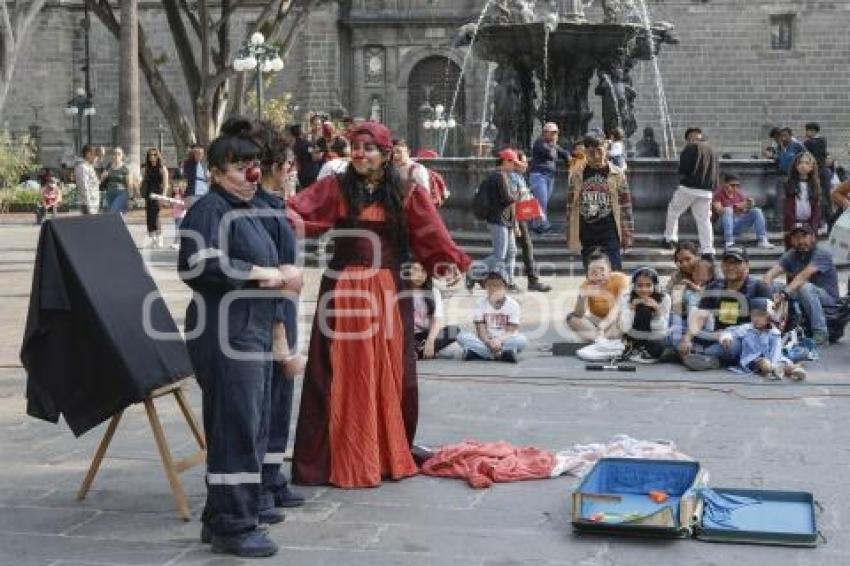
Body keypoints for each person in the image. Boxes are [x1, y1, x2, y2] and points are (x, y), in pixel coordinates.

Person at [287, 120, 471, 488]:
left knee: (386, 369)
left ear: (386, 155)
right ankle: (336, 454)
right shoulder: (334, 186)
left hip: (387, 291)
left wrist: (451, 263)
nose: (360, 154)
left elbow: (431, 234)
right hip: (342, 293)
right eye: (356, 147)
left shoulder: (406, 192)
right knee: (338, 370)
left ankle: (383, 451)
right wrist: (267, 214)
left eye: (369, 148)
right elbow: (299, 210)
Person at [178, 117, 302, 557]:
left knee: (247, 426)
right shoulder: (210, 210)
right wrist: (266, 273)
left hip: (251, 331)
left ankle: (222, 517)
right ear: (214, 173)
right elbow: (197, 264)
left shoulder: (245, 210)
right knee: (236, 428)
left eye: (253, 164)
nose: (251, 173)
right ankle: (234, 524)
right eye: (239, 166)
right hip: (226, 334)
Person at [678, 246, 771, 371]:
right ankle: (702, 355)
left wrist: (730, 334)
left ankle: (706, 357)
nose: (731, 267)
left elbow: (765, 325)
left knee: (731, 347)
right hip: (715, 335)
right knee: (677, 332)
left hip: (744, 338)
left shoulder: (759, 288)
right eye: (727, 263)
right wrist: (687, 338)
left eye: (736, 263)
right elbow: (701, 315)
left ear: (747, 266)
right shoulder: (715, 286)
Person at [566, 132, 633, 271]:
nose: (596, 156)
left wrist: (628, 233)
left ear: (606, 149)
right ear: (585, 152)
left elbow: (626, 206)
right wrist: (570, 232)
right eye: (591, 153)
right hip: (587, 233)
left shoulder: (618, 174)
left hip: (610, 232)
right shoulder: (577, 174)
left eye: (599, 151)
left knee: (615, 272)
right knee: (593, 275)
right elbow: (570, 206)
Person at [763, 222, 838, 345]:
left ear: (813, 237)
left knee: (804, 287)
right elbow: (770, 274)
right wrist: (765, 287)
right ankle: (773, 327)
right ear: (792, 240)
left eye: (804, 236)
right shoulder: (791, 254)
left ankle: (821, 332)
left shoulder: (821, 253)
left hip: (828, 299)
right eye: (796, 237)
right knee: (772, 286)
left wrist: (783, 294)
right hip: (803, 293)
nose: (800, 241)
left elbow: (803, 277)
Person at [466, 148, 521, 291]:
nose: (515, 166)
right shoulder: (498, 176)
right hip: (498, 220)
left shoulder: (502, 176)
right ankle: (473, 270)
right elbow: (507, 198)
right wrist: (520, 195)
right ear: (505, 161)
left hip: (505, 220)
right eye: (513, 163)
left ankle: (509, 282)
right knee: (499, 255)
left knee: (511, 252)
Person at [720, 298, 807, 381]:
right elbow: (731, 331)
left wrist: (774, 363)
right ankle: (776, 370)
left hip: (773, 358)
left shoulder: (774, 333)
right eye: (753, 315)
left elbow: (776, 351)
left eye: (761, 315)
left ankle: (793, 370)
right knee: (764, 364)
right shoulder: (747, 329)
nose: (756, 319)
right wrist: (726, 337)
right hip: (753, 360)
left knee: (785, 363)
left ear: (769, 317)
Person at [663, 128, 718, 257]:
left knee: (674, 210)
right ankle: (708, 250)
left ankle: (670, 238)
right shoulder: (711, 150)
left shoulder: (690, 148)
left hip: (689, 187)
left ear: (688, 138)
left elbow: (683, 168)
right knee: (704, 220)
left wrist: (683, 179)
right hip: (706, 191)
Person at [457, 269, 528, 362]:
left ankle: (478, 353)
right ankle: (501, 355)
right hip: (485, 340)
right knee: (461, 336)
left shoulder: (513, 305)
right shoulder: (480, 303)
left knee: (522, 340)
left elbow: (510, 330)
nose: (493, 289)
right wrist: (488, 341)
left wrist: (499, 340)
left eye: (497, 286)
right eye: (490, 285)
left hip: (504, 339)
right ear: (485, 286)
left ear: (505, 287)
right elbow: (480, 329)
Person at [567, 251, 629, 342]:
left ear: (609, 270)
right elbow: (579, 314)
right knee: (571, 318)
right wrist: (582, 297)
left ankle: (597, 339)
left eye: (602, 270)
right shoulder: (586, 285)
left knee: (625, 319)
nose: (598, 274)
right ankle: (601, 340)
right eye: (593, 271)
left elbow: (617, 309)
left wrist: (602, 326)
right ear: (588, 272)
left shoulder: (621, 279)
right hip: (597, 322)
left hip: (615, 320)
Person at [512, 151, 551, 292]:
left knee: (512, 250)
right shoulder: (512, 178)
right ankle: (531, 280)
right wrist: (516, 223)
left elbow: (526, 197)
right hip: (513, 218)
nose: (526, 165)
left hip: (519, 217)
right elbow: (514, 201)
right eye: (523, 162)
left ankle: (531, 280)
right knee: (512, 250)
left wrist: (538, 212)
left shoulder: (519, 177)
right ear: (515, 163)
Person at [408, 261, 461, 359]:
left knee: (454, 330)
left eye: (423, 271)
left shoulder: (434, 292)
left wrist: (430, 341)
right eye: (415, 270)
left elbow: (437, 321)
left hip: (425, 334)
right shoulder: (401, 292)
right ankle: (418, 351)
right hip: (407, 335)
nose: (419, 275)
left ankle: (418, 351)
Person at [619, 267, 671, 364]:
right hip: (632, 334)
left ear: (655, 286)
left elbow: (663, 328)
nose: (644, 290)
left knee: (657, 347)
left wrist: (658, 310)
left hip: (654, 334)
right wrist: (631, 308)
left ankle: (641, 350)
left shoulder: (665, 298)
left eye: (648, 285)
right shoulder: (626, 297)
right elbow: (624, 327)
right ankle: (635, 347)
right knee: (643, 309)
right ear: (633, 286)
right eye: (640, 285)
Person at [712, 173, 773, 249]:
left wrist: (748, 205)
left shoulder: (738, 193)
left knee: (757, 211)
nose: (735, 187)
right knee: (727, 210)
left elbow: (744, 211)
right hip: (721, 226)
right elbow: (719, 211)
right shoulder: (718, 194)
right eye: (732, 185)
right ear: (725, 184)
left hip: (737, 224)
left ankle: (762, 240)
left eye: (737, 185)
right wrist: (735, 207)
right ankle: (729, 242)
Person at [528, 122, 570, 233]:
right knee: (541, 201)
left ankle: (536, 225)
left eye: (556, 132)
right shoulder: (539, 143)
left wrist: (571, 159)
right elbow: (551, 155)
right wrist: (554, 144)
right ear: (545, 132)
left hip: (549, 177)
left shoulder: (553, 144)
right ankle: (543, 225)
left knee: (542, 202)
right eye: (552, 132)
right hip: (539, 176)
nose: (554, 135)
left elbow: (564, 153)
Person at [783, 152, 822, 239]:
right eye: (800, 162)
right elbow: (786, 208)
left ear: (811, 167)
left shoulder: (815, 185)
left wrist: (812, 228)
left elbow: (817, 209)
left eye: (806, 163)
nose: (803, 165)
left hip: (809, 226)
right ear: (796, 166)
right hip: (792, 225)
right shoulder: (788, 184)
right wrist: (794, 226)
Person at [141, 148, 170, 248]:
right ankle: (153, 239)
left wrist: (163, 197)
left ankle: (160, 238)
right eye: (150, 155)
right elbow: (144, 181)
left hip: (158, 194)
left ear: (158, 156)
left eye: (154, 155)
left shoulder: (162, 168)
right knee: (149, 216)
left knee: (156, 215)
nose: (152, 157)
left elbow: (166, 184)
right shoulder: (147, 169)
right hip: (149, 194)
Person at [101, 147, 136, 214]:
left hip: (121, 193)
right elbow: (102, 178)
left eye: (118, 154)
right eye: (114, 153)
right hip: (110, 193)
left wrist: (130, 197)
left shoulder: (125, 167)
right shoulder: (109, 166)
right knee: (111, 215)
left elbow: (130, 184)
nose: (116, 156)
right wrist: (105, 173)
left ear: (122, 156)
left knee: (114, 211)